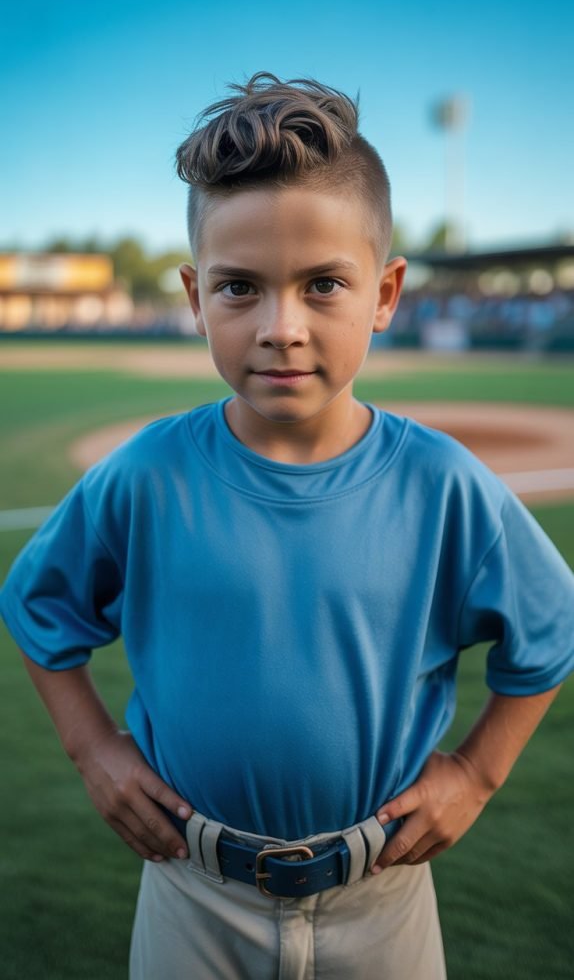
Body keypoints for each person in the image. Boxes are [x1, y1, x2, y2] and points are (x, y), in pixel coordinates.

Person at [1, 71, 573, 980]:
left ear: (384, 294)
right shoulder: (147, 475)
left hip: (381, 897)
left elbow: (550, 632)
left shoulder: (443, 484)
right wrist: (93, 748)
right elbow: (37, 605)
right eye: (239, 288)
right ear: (194, 296)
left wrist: (476, 773)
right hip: (192, 890)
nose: (280, 327)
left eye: (322, 285)